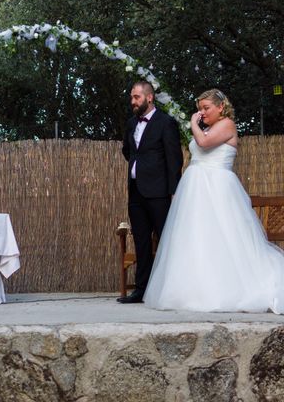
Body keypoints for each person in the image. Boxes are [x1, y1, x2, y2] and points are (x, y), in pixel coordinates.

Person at [144, 90, 284, 313]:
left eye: (206, 108)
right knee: (196, 237)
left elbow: (204, 142)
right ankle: (192, 290)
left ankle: (229, 289)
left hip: (217, 187)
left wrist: (193, 123)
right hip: (196, 187)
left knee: (224, 235)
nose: (202, 113)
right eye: (199, 109)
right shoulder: (207, 127)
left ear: (221, 107)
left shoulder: (227, 124)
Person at [119, 80, 183, 303]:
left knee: (166, 240)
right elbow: (128, 151)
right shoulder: (130, 124)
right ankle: (141, 290)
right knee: (142, 242)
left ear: (149, 97)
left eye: (136, 97)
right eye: (131, 97)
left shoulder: (166, 122)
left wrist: (173, 191)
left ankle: (172, 288)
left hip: (159, 192)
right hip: (136, 191)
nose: (132, 101)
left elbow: (175, 159)